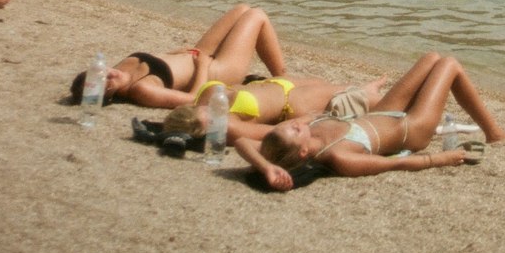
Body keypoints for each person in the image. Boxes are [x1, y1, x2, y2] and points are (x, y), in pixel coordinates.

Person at [237, 52, 505, 191]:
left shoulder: (308, 129)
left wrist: (267, 165)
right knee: (449, 64)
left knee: (431, 58)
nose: (295, 123)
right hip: (410, 129)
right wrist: (446, 158)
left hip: (380, 114)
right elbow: (395, 163)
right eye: (293, 130)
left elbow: (241, 140)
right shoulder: (340, 156)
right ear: (302, 152)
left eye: (290, 125)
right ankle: (494, 132)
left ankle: (493, 130)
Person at [70, 4, 289, 111]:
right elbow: (195, 99)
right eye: (105, 81)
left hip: (196, 54)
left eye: (100, 72)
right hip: (216, 70)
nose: (108, 73)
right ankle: (284, 79)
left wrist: (174, 53)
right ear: (107, 94)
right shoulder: (141, 90)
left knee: (241, 9)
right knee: (256, 15)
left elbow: (156, 64)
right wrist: (203, 67)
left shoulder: (120, 69)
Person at [157, 72, 389, 147]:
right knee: (372, 100)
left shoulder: (203, 99)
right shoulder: (227, 127)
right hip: (294, 104)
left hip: (281, 85)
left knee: (347, 89)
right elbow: (271, 134)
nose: (212, 113)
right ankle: (370, 95)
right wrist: (308, 120)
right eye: (209, 121)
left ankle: (367, 92)